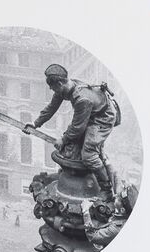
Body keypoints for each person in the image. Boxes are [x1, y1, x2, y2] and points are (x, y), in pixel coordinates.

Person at [25, 63, 121, 201]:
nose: (51, 90)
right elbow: (51, 107)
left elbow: (77, 127)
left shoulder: (82, 99)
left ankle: (106, 189)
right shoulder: (66, 87)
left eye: (52, 87)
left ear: (59, 83)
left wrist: (63, 139)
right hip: (92, 112)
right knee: (75, 147)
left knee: (89, 154)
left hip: (102, 118)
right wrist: (35, 123)